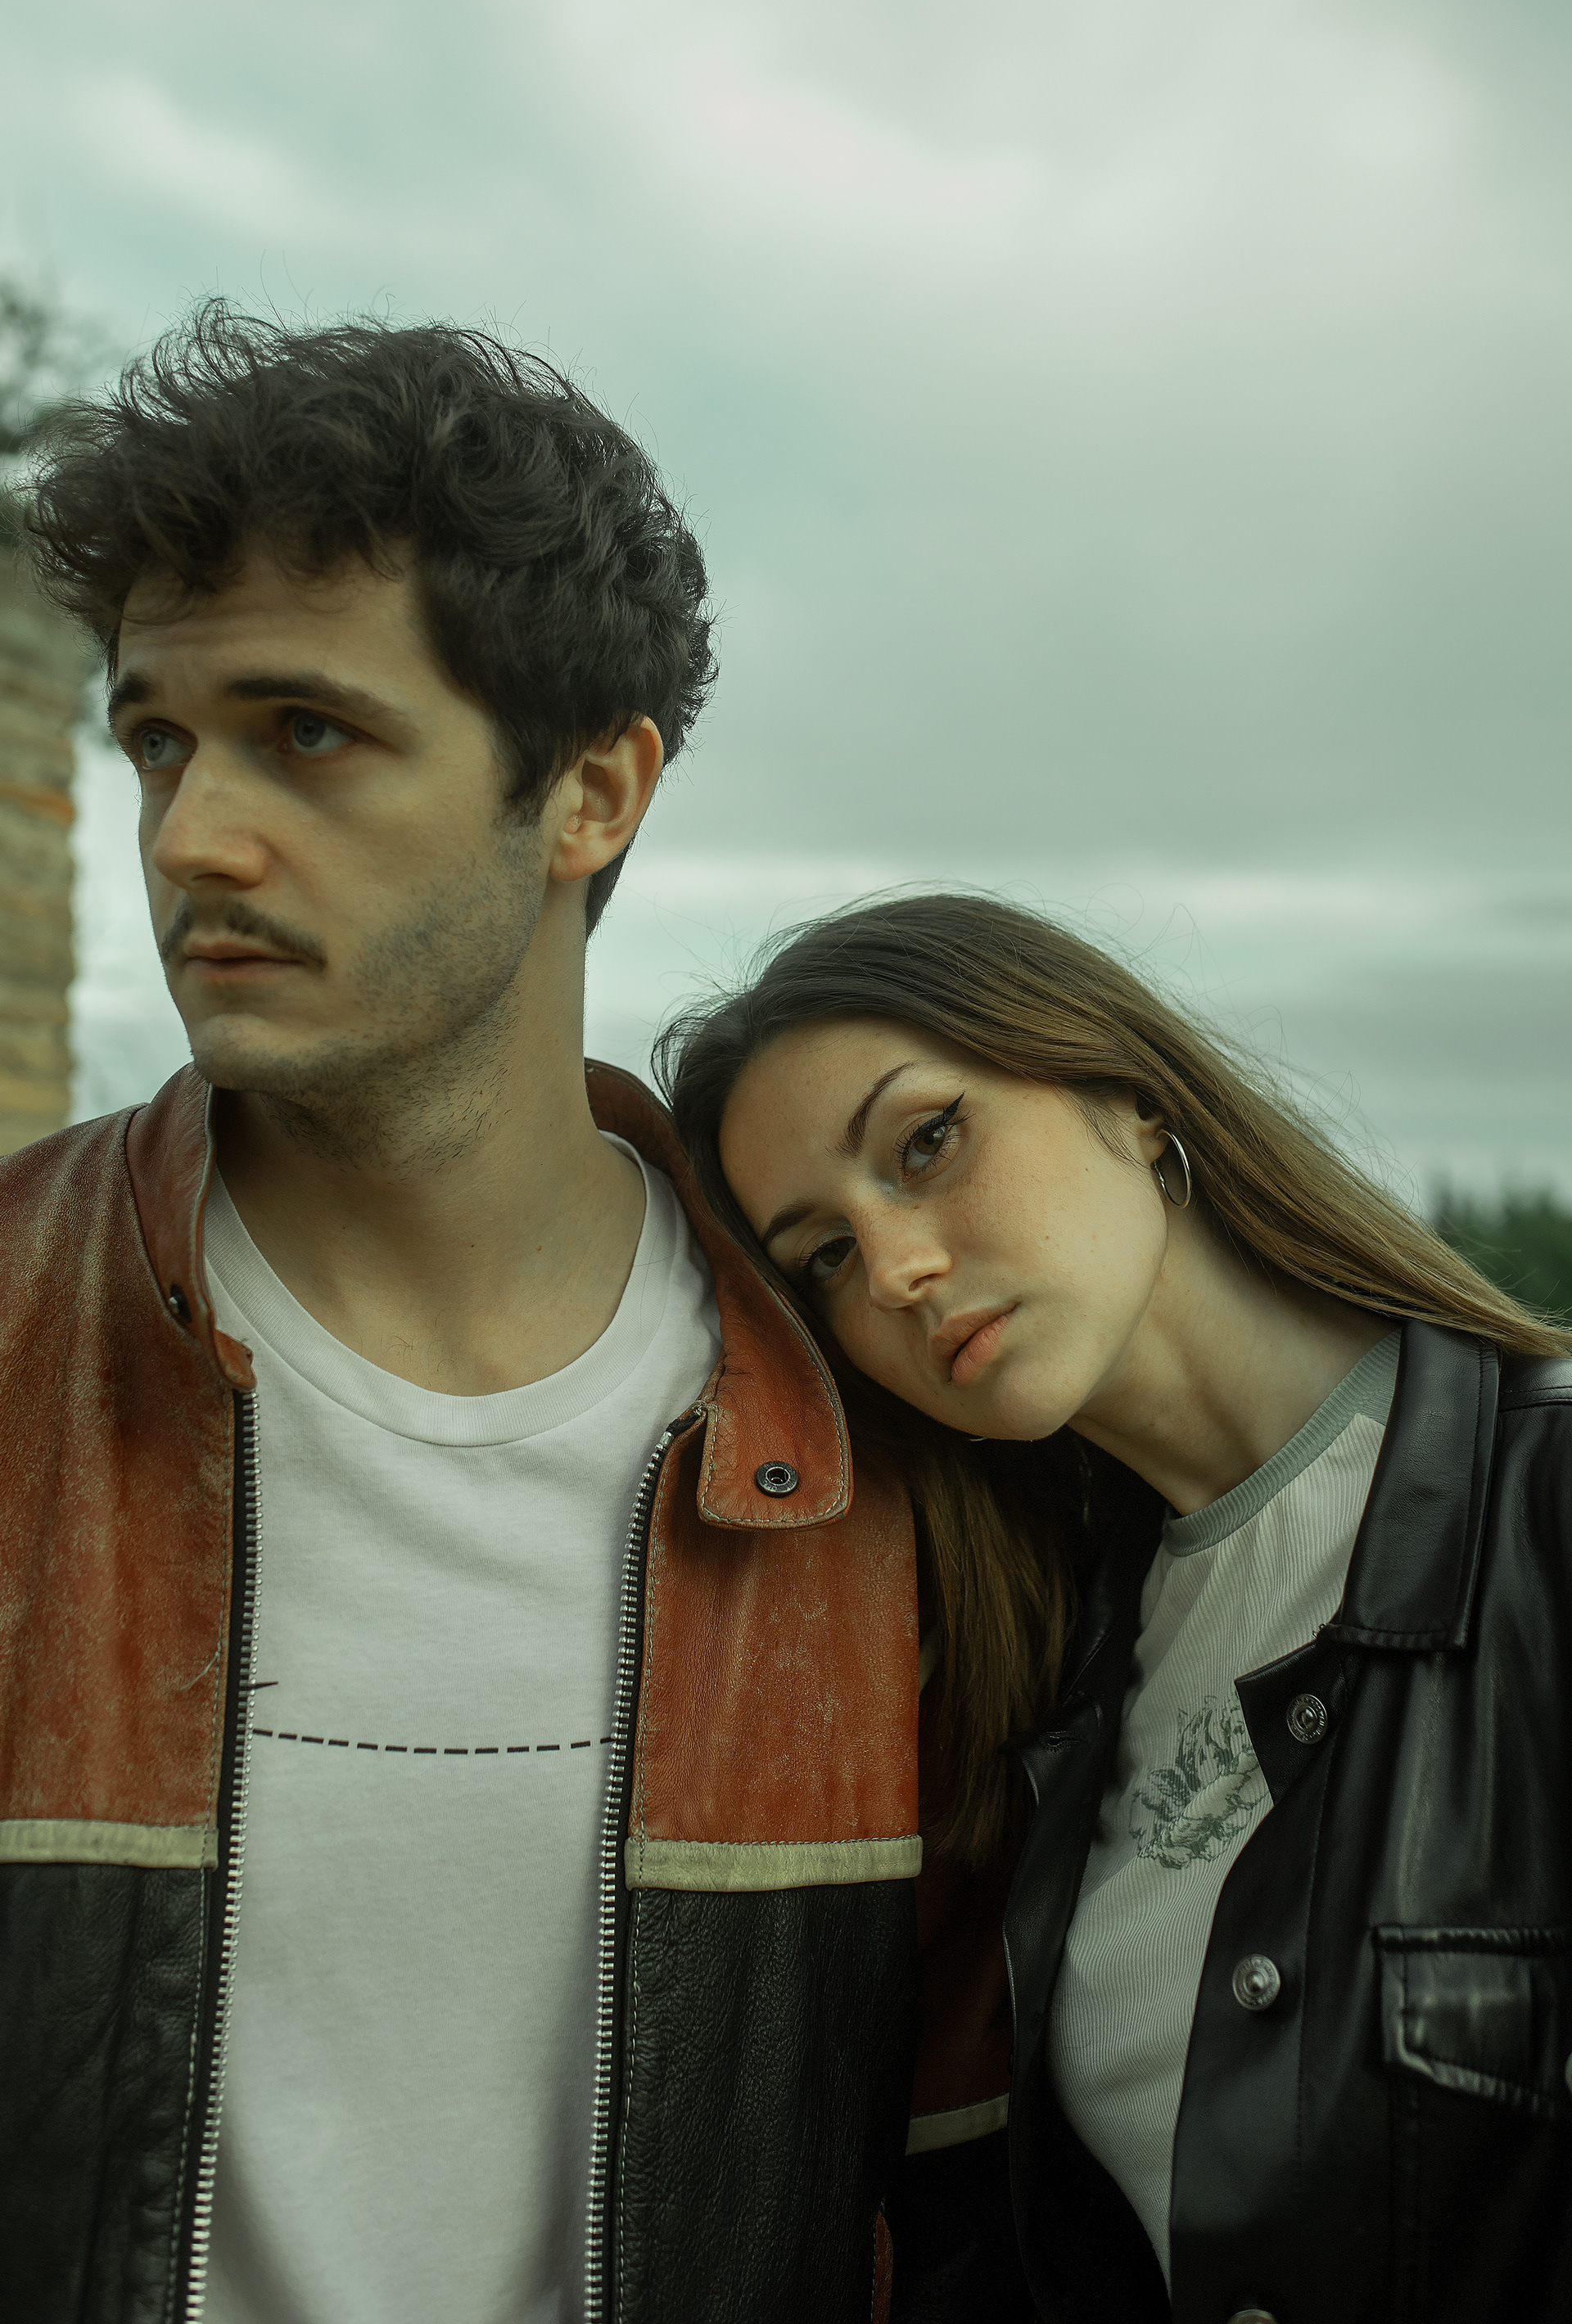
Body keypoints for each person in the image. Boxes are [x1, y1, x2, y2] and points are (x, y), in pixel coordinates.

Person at [0, 315, 1023, 2324]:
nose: (192, 837)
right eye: (159, 740)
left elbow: (984, 2192)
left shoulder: (883, 1437)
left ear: (591, 793)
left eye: (309, 732)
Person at [661, 891, 1572, 2324]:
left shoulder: (1543, 1513)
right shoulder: (1053, 1672)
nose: (894, 1271)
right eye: (822, 1256)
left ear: (1129, 1098)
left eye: (927, 1142)